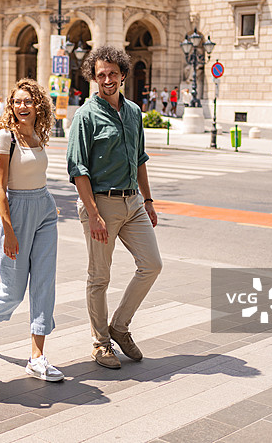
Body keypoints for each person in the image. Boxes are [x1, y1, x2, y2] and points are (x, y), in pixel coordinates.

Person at [67, 45, 163, 369]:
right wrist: (93, 214)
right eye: (100, 75)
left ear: (122, 74)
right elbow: (78, 169)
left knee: (152, 264)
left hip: (133, 201)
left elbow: (140, 160)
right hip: (102, 205)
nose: (107, 79)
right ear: (93, 78)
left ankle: (119, 327)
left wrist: (148, 201)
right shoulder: (85, 115)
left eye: (112, 74)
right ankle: (100, 343)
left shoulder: (134, 112)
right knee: (100, 277)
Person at [0, 78, 63, 382]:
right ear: (11, 106)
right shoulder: (5, 137)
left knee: (44, 284)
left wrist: (47, 204)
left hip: (44, 209)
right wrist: (7, 229)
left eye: (28, 101)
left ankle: (37, 357)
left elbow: (38, 173)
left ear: (38, 105)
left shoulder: (38, 134)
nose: (22, 106)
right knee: (12, 289)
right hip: (17, 211)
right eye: (17, 101)